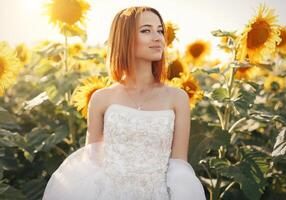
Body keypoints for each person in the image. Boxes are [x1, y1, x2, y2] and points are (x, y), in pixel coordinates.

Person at [42, 6, 206, 200]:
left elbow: (179, 165)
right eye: (146, 30)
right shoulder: (101, 98)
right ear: (125, 38)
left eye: (160, 30)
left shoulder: (177, 98)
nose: (158, 37)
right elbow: (92, 163)